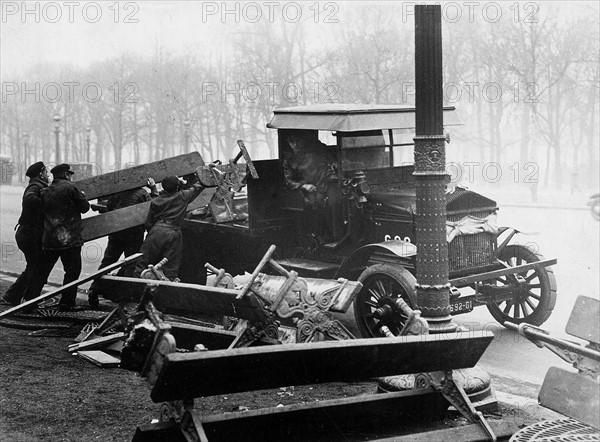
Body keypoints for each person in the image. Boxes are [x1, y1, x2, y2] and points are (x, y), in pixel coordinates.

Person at [86, 178, 158, 308]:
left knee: (108, 261)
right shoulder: (142, 193)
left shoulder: (117, 193)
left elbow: (109, 209)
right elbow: (152, 208)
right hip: (133, 233)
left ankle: (94, 288)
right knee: (131, 263)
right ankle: (125, 295)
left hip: (116, 232)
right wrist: (153, 189)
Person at [39, 163, 90, 311]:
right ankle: (67, 303)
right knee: (72, 271)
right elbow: (84, 208)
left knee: (43, 270)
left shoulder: (45, 191)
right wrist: (84, 197)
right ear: (66, 175)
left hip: (50, 239)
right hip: (69, 240)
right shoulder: (71, 188)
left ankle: (30, 299)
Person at [133, 175, 204, 280]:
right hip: (174, 232)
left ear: (163, 187)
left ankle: (135, 287)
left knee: (143, 261)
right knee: (171, 265)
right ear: (177, 187)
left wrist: (153, 233)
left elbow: (149, 223)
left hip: (157, 231)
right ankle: (169, 289)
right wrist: (206, 173)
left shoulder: (156, 201)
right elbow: (198, 187)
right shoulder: (183, 196)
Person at [1, 162, 49, 307]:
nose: (48, 175)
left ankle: (15, 296)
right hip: (29, 234)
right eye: (46, 172)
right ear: (41, 174)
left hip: (27, 233)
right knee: (35, 267)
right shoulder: (36, 187)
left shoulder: (38, 185)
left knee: (34, 266)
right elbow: (29, 199)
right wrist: (46, 201)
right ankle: (17, 296)